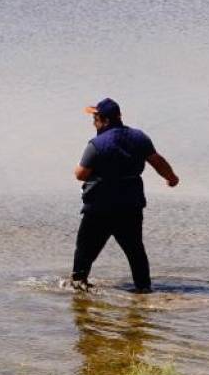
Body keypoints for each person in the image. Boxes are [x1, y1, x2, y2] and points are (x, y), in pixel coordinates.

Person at [71, 98, 178, 293]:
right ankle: (144, 289)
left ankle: (79, 288)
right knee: (135, 250)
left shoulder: (97, 144)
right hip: (130, 205)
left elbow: (80, 174)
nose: (93, 122)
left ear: (105, 120)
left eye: (95, 118)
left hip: (99, 208)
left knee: (85, 251)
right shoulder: (140, 138)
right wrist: (171, 177)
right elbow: (157, 161)